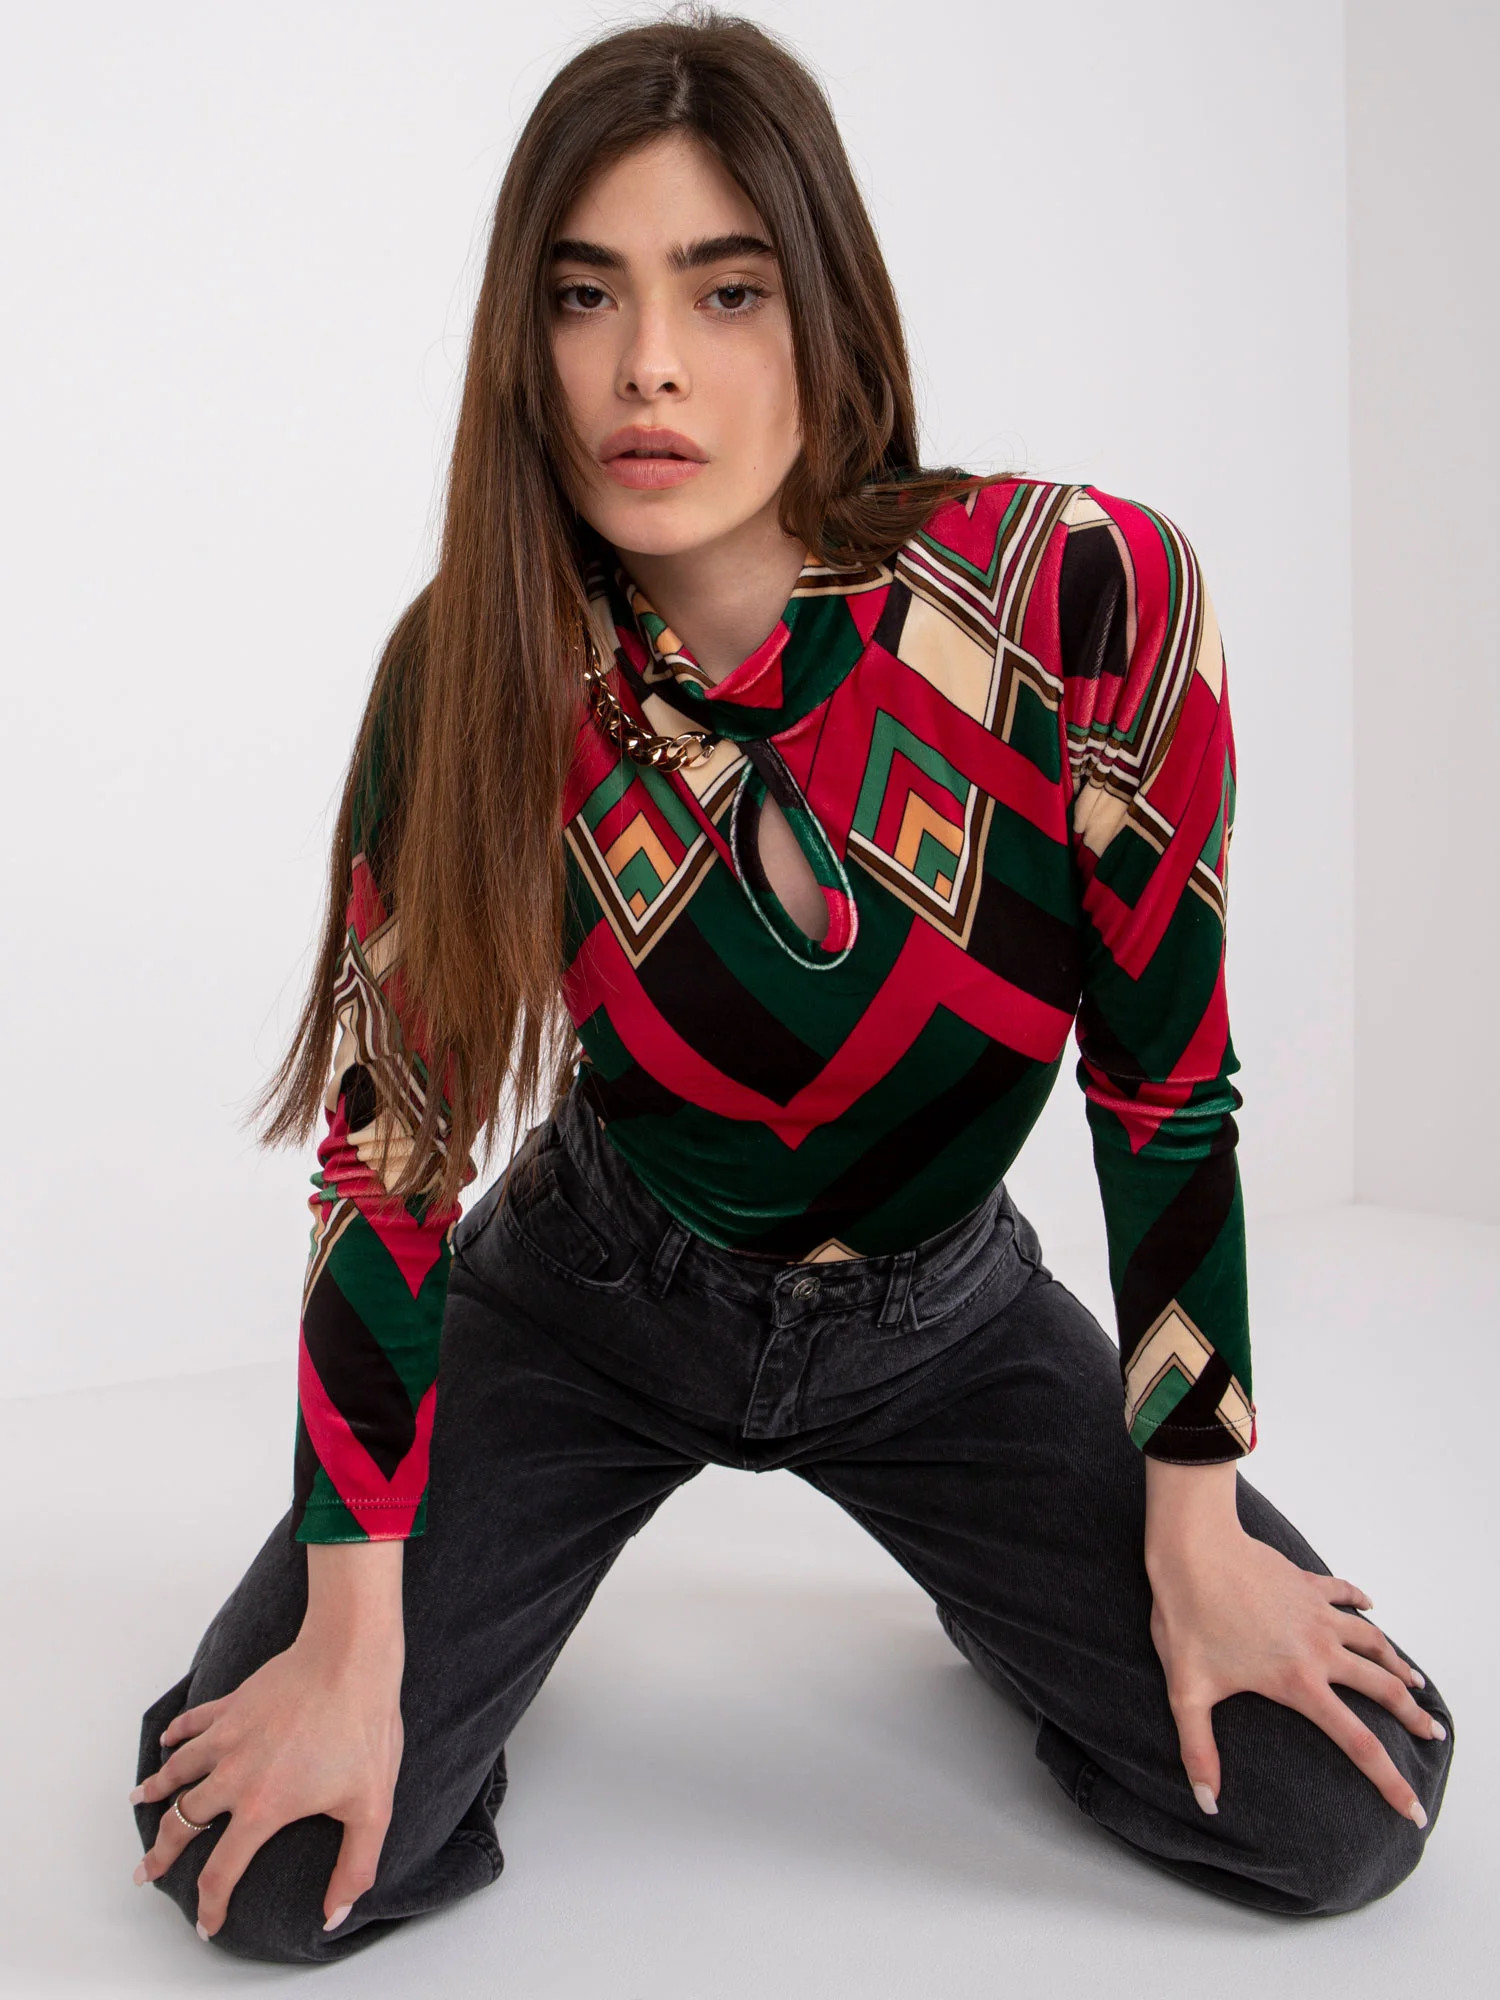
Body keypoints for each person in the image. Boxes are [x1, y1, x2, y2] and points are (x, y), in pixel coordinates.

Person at [128, 7, 1452, 1965]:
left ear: (829, 317)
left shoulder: (1086, 601)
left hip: (946, 1318)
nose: (646, 364)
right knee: (259, 1865)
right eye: (585, 294)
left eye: (724, 290)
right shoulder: (481, 664)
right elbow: (388, 1166)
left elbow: (1170, 1087)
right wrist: (354, 1637)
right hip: (597, 1295)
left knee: (1343, 1814)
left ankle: (1013, 1599)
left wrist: (1188, 1517)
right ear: (524, 340)